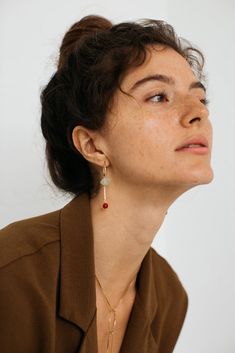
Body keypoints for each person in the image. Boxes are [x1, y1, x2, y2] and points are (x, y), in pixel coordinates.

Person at [0, 14, 213, 353]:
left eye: (201, 99)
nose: (197, 113)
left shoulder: (171, 298)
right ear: (93, 145)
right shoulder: (12, 271)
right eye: (158, 96)